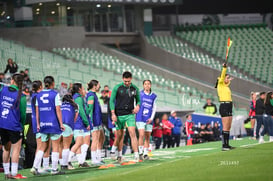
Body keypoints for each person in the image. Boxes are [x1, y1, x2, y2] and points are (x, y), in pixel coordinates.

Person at [31, 76, 65, 175]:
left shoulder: (38, 95)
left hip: (43, 124)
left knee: (42, 147)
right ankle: (54, 169)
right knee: (55, 147)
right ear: (53, 83)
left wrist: (38, 124)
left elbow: (37, 111)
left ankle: (35, 167)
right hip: (53, 124)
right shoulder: (55, 94)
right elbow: (58, 110)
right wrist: (61, 123)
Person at [0, 73, 27, 179]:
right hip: (14, 125)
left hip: (2, 124)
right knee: (16, 149)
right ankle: (15, 174)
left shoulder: (2, 89)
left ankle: (7, 173)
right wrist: (22, 125)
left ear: (12, 80)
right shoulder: (22, 95)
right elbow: (23, 114)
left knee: (6, 148)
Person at [109, 71, 141, 162]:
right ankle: (115, 153)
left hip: (130, 114)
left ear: (131, 79)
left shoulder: (135, 88)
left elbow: (138, 100)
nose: (127, 83)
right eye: (125, 81)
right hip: (119, 115)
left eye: (128, 81)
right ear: (123, 79)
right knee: (119, 136)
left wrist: (137, 106)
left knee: (132, 133)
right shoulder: (117, 88)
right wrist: (113, 114)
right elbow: (111, 101)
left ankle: (136, 155)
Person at [67, 83, 91, 169]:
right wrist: (87, 123)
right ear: (80, 90)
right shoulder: (78, 98)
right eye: (83, 89)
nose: (85, 91)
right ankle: (67, 160)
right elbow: (81, 111)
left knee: (80, 143)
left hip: (78, 123)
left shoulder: (76, 98)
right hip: (79, 123)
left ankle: (81, 161)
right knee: (80, 143)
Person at [30, 80, 51, 171]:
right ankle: (36, 167)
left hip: (42, 122)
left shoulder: (36, 96)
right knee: (40, 145)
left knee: (46, 144)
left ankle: (46, 166)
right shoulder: (36, 97)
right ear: (40, 87)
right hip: (39, 122)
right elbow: (38, 110)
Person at [136, 80, 157, 160]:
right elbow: (136, 105)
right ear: (143, 85)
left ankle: (145, 153)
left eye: (148, 84)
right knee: (141, 134)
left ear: (150, 85)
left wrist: (151, 118)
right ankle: (140, 152)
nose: (147, 85)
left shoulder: (153, 96)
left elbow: (154, 108)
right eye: (145, 84)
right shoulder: (139, 94)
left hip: (149, 118)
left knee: (147, 137)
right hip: (140, 117)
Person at [215, 63, 234, 151]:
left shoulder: (226, 86)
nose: (227, 79)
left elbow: (226, 81)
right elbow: (222, 77)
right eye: (227, 78)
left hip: (229, 105)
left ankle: (227, 144)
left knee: (229, 126)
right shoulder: (220, 84)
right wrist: (224, 68)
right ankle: (224, 146)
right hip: (224, 105)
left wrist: (228, 79)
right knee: (225, 126)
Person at [86, 80, 104, 165]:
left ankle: (99, 157)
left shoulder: (94, 95)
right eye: (98, 85)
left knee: (101, 138)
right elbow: (89, 109)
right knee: (95, 140)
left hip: (98, 120)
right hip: (95, 121)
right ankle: (94, 159)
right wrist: (91, 122)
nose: (99, 87)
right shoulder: (90, 95)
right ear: (94, 86)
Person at [60, 94, 78, 170]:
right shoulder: (74, 106)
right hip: (68, 125)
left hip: (58, 125)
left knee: (59, 146)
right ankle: (65, 165)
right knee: (66, 146)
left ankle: (61, 163)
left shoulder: (60, 105)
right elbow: (75, 118)